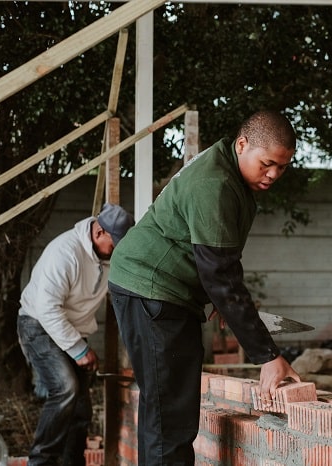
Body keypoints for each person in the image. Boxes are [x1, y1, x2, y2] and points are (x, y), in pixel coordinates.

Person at [108, 110, 302, 465]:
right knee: (170, 417)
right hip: (153, 289)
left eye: (283, 167)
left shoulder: (229, 172)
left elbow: (221, 259)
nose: (274, 174)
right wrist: (268, 356)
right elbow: (220, 274)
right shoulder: (215, 183)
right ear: (242, 144)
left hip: (159, 288)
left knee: (166, 408)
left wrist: (223, 299)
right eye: (268, 163)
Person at [17, 203, 135, 466]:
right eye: (115, 244)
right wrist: (79, 350)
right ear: (99, 232)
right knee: (65, 389)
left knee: (81, 410)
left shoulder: (107, 256)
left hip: (72, 330)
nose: (118, 251)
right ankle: (41, 462)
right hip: (37, 324)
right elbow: (48, 309)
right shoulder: (65, 252)